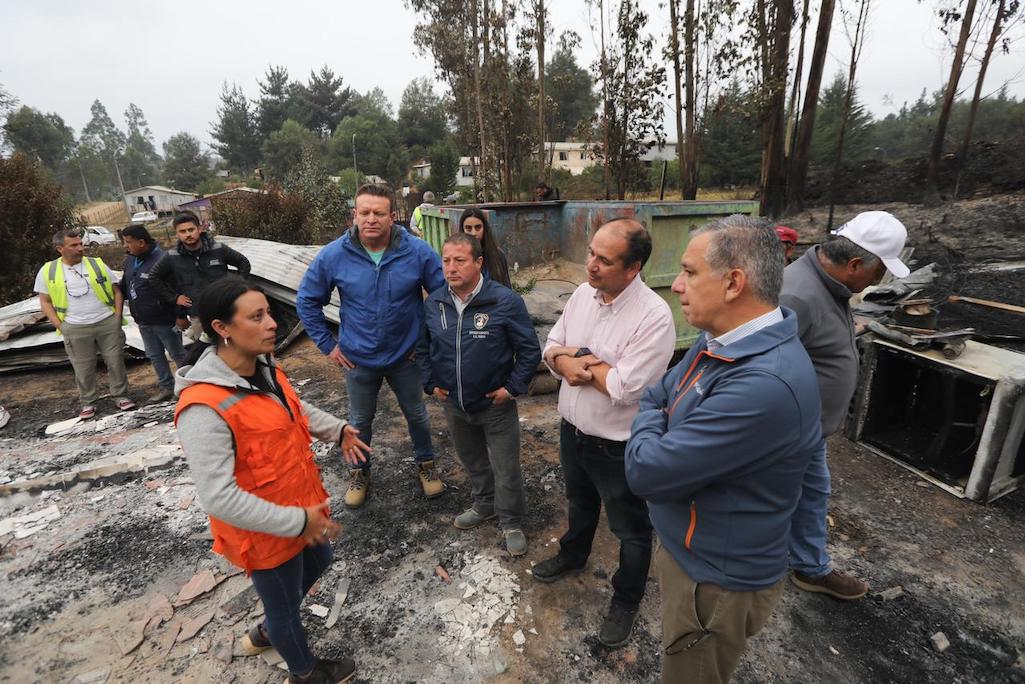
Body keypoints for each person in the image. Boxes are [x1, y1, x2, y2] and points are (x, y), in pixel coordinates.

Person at [625, 215, 823, 684]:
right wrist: (659, 411)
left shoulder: (763, 384)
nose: (675, 285)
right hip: (694, 554)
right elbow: (658, 391)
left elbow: (646, 471)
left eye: (690, 272)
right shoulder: (723, 342)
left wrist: (654, 417)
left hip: (714, 580)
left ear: (734, 282)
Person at [175, 277, 368, 684]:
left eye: (269, 313)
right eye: (257, 316)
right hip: (264, 531)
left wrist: (337, 429)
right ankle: (304, 671)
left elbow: (292, 408)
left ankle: (269, 629)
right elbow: (217, 497)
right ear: (222, 329)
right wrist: (297, 522)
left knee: (321, 561)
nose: (272, 324)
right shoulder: (203, 407)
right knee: (284, 609)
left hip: (299, 506)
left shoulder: (263, 367)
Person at [536, 218, 676, 648]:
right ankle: (574, 554)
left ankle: (626, 599)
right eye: (591, 253)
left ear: (633, 268)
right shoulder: (582, 295)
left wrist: (578, 359)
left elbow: (625, 387)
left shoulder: (653, 316)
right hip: (572, 430)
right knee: (579, 501)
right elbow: (550, 346)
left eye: (604, 259)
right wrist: (574, 358)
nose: (591, 264)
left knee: (631, 528)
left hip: (617, 444)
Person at [782, 210, 909, 601]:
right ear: (854, 263)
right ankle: (792, 567)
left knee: (810, 494)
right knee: (788, 494)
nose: (877, 282)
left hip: (807, 429)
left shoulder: (827, 287)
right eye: (877, 273)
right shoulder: (798, 296)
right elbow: (759, 370)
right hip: (789, 433)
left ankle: (807, 565)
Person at [297, 183, 447, 509]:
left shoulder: (417, 252)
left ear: (393, 216)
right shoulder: (334, 255)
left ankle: (426, 465)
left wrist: (423, 345)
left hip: (405, 356)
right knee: (360, 420)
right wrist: (328, 345)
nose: (371, 219)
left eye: (379, 213)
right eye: (364, 212)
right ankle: (359, 472)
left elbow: (441, 300)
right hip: (357, 358)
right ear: (354, 215)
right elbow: (307, 301)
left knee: (417, 415)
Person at [417, 233, 541, 555]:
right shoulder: (435, 303)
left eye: (460, 260)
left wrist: (512, 388)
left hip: (494, 406)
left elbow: (529, 350)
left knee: (506, 467)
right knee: (473, 461)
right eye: (446, 261)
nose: (451, 268)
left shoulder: (505, 302)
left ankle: (511, 520)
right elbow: (423, 347)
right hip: (455, 405)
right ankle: (483, 504)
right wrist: (431, 384)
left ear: (478, 263)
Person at [35, 228, 135, 419]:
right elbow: (45, 301)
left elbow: (117, 292)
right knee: (83, 367)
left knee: (115, 361)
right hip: (74, 327)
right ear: (60, 248)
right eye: (74, 245)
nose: (80, 248)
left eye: (80, 243)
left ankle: (120, 396)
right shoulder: (49, 271)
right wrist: (60, 325)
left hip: (106, 322)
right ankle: (88, 402)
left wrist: (117, 316)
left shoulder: (96, 265)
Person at [150, 211, 251, 343]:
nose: (188, 234)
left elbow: (243, 263)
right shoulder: (172, 257)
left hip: (225, 309)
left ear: (199, 229)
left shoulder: (218, 249)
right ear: (177, 234)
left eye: (191, 229)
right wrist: (174, 298)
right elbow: (153, 277)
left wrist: (237, 290)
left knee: (238, 344)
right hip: (198, 315)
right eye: (183, 231)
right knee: (208, 351)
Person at [120, 224, 187, 403]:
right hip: (143, 320)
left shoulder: (164, 260)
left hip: (165, 319)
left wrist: (181, 315)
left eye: (128, 242)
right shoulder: (129, 260)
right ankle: (166, 387)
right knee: (154, 355)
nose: (126, 246)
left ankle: (187, 388)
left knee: (178, 354)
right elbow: (126, 285)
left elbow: (178, 289)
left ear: (141, 242)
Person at [459, 208, 511, 287]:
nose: (474, 233)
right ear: (462, 230)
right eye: (468, 228)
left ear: (484, 229)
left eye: (478, 227)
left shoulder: (498, 256)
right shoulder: (456, 258)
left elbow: (507, 290)